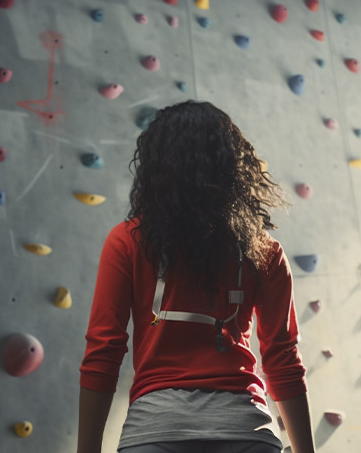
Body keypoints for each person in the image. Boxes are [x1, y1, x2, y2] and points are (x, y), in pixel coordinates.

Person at [77, 101, 317, 453]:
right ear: (232, 166)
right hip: (247, 430)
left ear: (157, 168)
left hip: (155, 432)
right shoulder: (263, 251)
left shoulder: (126, 241)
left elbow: (104, 351)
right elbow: (282, 360)